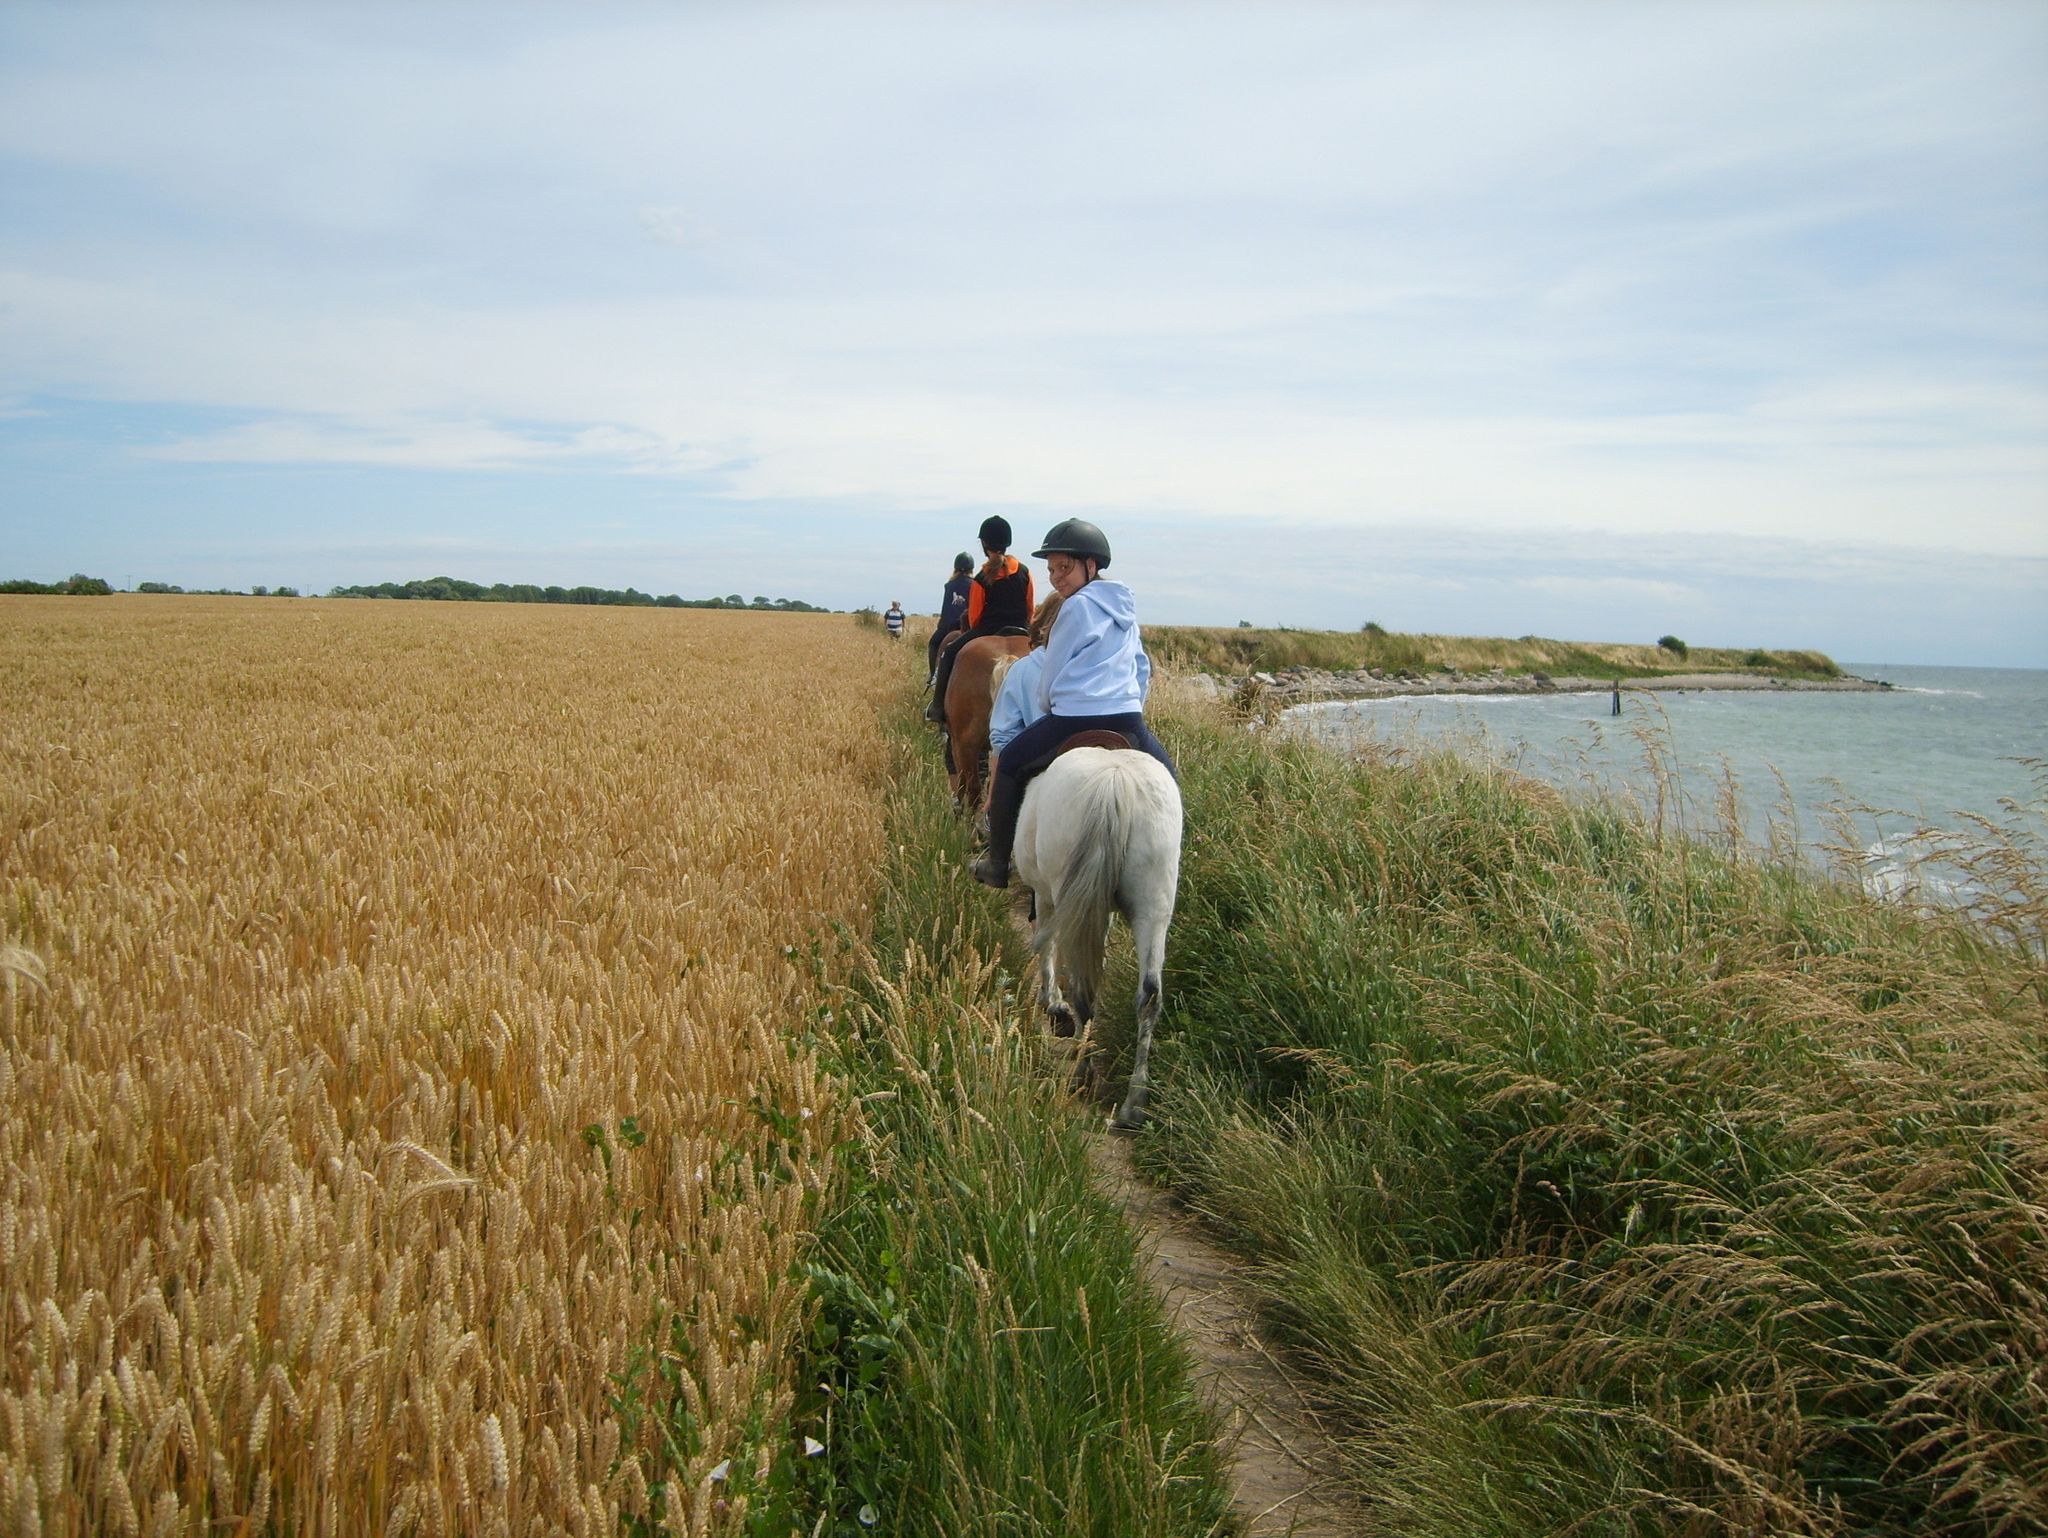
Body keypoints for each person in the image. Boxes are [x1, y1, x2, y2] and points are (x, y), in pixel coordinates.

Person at [969, 519, 1175, 889]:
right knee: (1169, 782)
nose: (1056, 577)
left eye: (1064, 567)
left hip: (1073, 719)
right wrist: (1134, 704)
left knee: (1012, 764)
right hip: (1128, 720)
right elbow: (1142, 666)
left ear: (1090, 565)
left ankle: (997, 864)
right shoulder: (1125, 606)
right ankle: (1172, 864)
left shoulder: (1073, 608)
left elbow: (1052, 669)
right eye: (1050, 569)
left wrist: (1049, 706)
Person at [924, 516, 1035, 725]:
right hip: (1021, 629)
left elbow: (974, 617)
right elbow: (1030, 609)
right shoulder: (1024, 571)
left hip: (986, 631)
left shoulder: (982, 578)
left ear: (984, 544)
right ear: (1007, 542)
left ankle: (938, 707)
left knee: (948, 653)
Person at [984, 592, 1064, 786]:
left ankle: (937, 695)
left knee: (947, 651)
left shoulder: (1022, 669)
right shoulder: (1106, 666)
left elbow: (1002, 736)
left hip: (1043, 766)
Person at [927, 553, 975, 681]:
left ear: (955, 567)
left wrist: (942, 627)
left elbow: (946, 610)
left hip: (948, 626)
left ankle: (933, 677)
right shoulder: (975, 584)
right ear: (971, 568)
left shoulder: (949, 585)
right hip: (968, 627)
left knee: (933, 644)